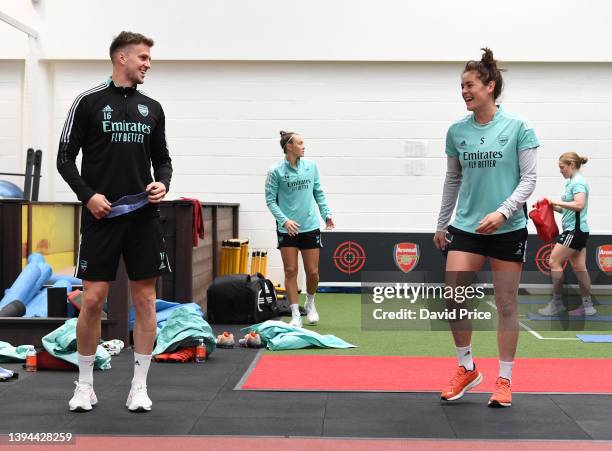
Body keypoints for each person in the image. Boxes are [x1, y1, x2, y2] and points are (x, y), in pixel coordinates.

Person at [57, 31, 172, 412]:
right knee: (92, 300)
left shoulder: (153, 108)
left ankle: (138, 386)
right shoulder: (88, 102)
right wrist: (87, 195)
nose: (147, 64)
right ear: (120, 58)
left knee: (146, 301)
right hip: (100, 218)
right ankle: (85, 385)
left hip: (143, 218)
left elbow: (164, 160)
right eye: (142, 57)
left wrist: (163, 183)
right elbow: (64, 158)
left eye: (149, 59)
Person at [433, 48, 539, 408]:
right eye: (461, 86)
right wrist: (441, 222)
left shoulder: (519, 127)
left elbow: (529, 179)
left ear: (490, 86)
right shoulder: (456, 131)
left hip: (508, 230)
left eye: (470, 85)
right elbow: (452, 180)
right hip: (466, 228)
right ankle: (467, 368)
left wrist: (504, 212)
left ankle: (505, 379)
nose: (463, 91)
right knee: (453, 298)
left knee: (506, 304)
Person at [265, 131, 334, 327]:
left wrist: (326, 214)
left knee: (313, 272)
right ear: (289, 146)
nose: (304, 146)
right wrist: (284, 221)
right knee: (290, 270)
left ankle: (310, 303)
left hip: (310, 226)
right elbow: (270, 200)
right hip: (287, 229)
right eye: (300, 143)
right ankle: (295, 313)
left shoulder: (311, 167)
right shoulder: (275, 171)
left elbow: (318, 192)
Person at [538, 153, 595, 316]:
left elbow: (579, 205)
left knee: (553, 261)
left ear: (571, 164)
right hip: (579, 230)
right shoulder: (572, 182)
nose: (561, 171)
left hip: (574, 231)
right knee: (580, 268)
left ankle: (556, 303)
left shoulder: (577, 182)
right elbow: (568, 209)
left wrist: (554, 201)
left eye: (562, 168)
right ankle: (588, 306)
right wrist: (551, 206)